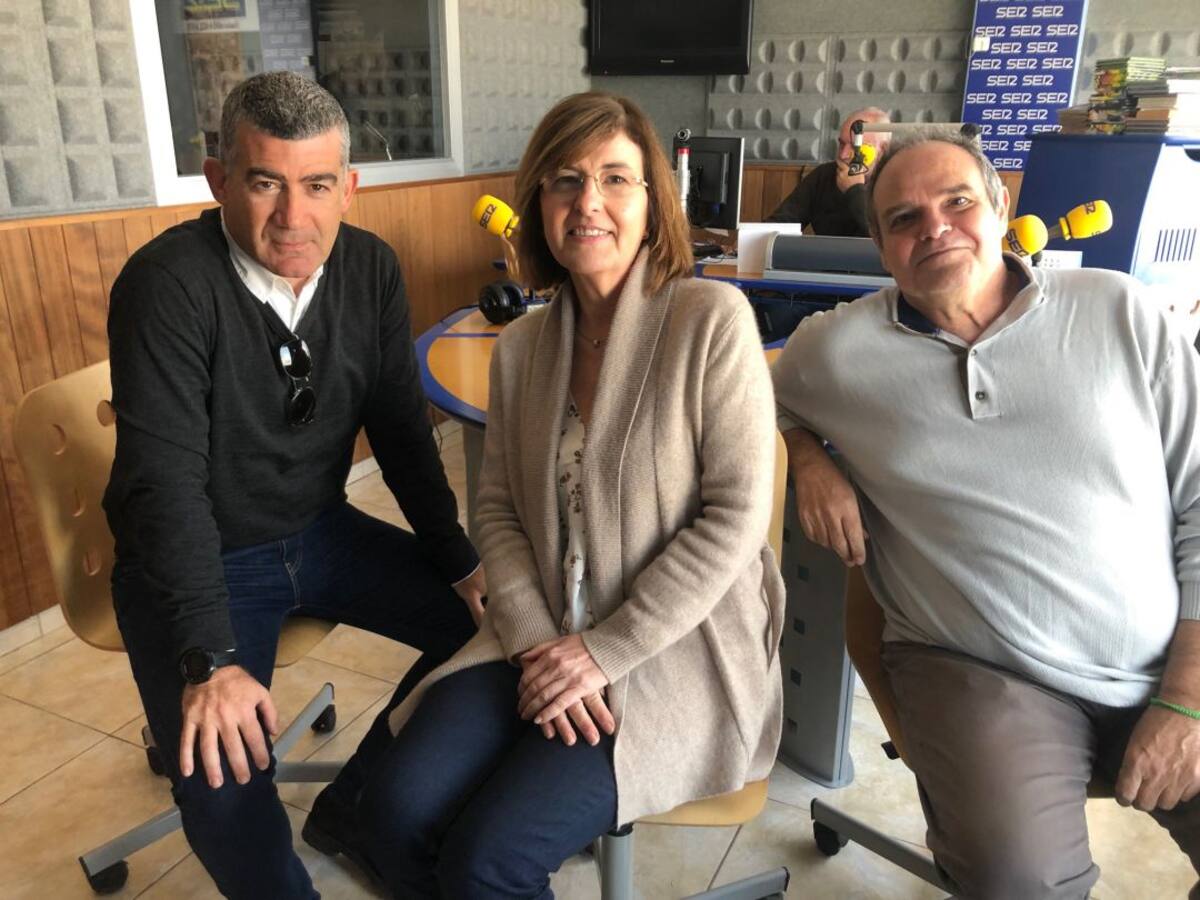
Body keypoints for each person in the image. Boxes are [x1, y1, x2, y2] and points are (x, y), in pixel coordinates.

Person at [356, 91, 785, 898]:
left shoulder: (711, 320)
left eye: (615, 178)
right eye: (565, 181)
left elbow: (734, 521)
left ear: (653, 203)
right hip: (542, 630)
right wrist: (534, 641)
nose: (589, 202)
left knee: (488, 860)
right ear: (538, 205)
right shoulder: (520, 347)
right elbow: (497, 509)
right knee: (390, 812)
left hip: (671, 648)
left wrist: (601, 654)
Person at [772, 127, 1200, 898]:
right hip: (981, 669)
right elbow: (755, 393)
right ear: (881, 246)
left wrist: (1187, 697)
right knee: (1016, 883)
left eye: (957, 202)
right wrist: (806, 455)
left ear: (1001, 208)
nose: (934, 228)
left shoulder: (1121, 311)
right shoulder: (835, 351)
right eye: (904, 218)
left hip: (1171, 655)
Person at [104, 71, 485, 899]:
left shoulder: (371, 268)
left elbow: (401, 431)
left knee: (484, 631)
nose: (292, 216)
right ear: (218, 181)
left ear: (348, 188)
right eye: (264, 183)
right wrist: (208, 658)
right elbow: (164, 485)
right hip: (200, 556)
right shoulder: (166, 286)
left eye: (315, 185)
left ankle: (354, 810)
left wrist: (460, 561)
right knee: (223, 782)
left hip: (319, 531)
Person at [766, 107, 891, 234]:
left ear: (883, 150)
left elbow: (882, 235)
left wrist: (854, 190)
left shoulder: (895, 184)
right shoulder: (823, 176)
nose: (843, 155)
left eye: (856, 147)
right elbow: (782, 222)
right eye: (842, 144)